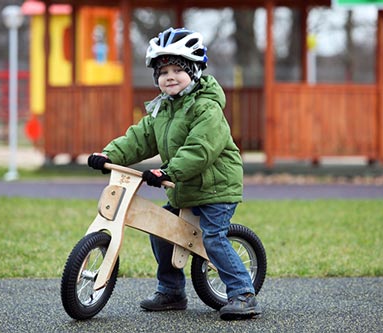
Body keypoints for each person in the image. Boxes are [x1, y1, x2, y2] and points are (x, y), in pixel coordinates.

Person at [87, 27, 260, 321]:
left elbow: (200, 149)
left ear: (194, 72)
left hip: (215, 188)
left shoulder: (207, 108)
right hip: (183, 187)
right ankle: (171, 292)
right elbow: (138, 138)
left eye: (178, 69)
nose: (169, 76)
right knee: (160, 231)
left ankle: (243, 293)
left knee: (214, 238)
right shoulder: (162, 110)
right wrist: (109, 154)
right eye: (163, 70)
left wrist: (169, 170)